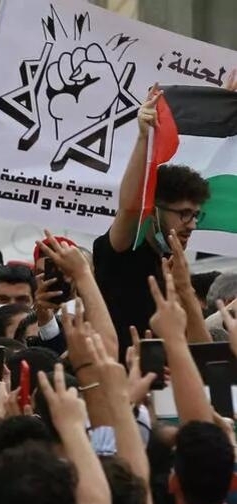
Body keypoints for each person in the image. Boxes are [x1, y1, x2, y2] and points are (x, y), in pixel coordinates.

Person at [94, 86, 210, 355]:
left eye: (195, 215)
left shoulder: (175, 267)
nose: (191, 225)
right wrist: (144, 138)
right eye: (183, 214)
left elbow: (203, 354)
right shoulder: (124, 250)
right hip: (123, 387)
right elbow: (130, 206)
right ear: (154, 210)